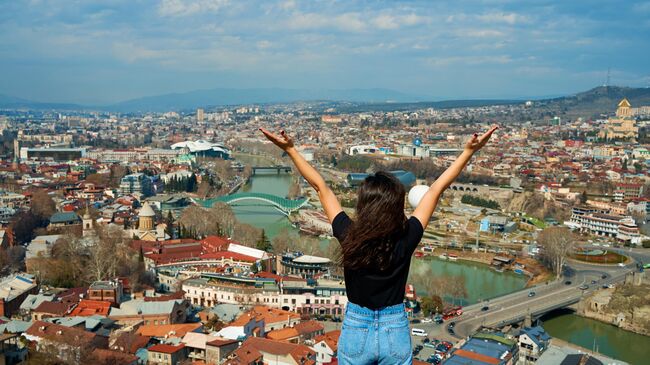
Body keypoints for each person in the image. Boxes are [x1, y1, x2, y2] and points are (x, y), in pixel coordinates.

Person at [260, 126, 497, 365]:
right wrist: (468, 152)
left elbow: (321, 187)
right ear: (395, 207)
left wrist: (290, 149)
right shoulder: (407, 236)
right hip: (394, 328)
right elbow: (436, 190)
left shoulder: (348, 233)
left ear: (364, 205)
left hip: (356, 328)